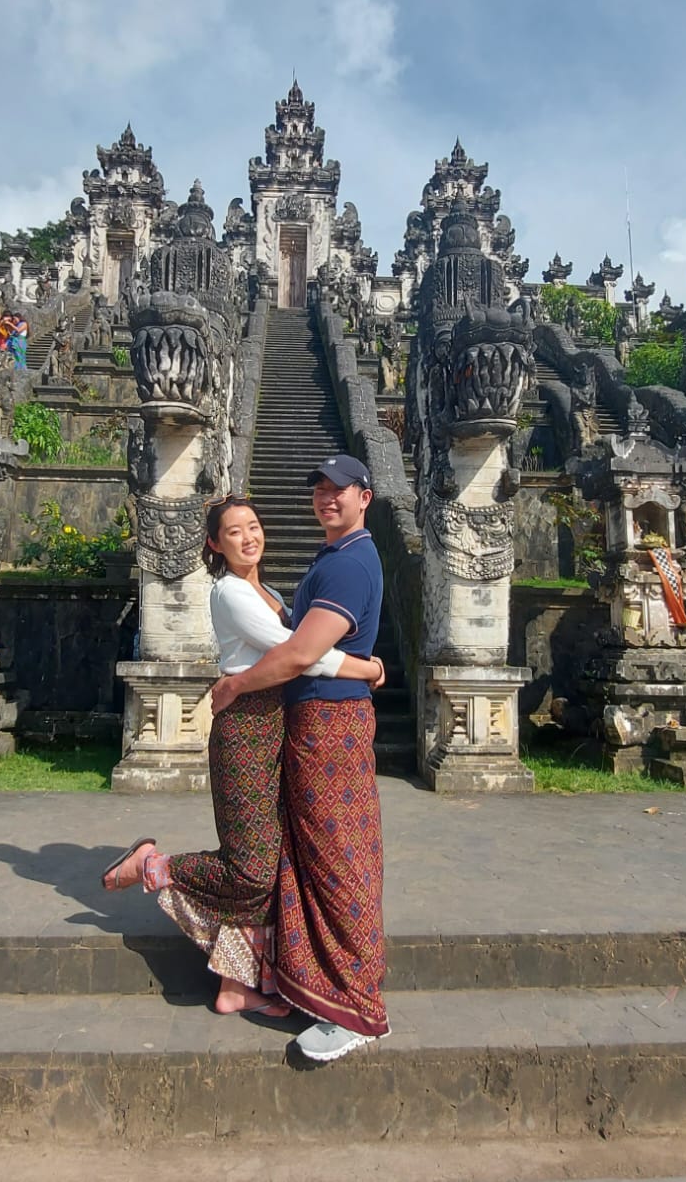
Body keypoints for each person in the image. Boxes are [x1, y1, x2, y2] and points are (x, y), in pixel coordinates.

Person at [101, 494, 382, 1019]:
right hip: (246, 732)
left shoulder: (267, 589)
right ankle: (153, 866)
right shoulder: (230, 592)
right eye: (234, 532)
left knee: (273, 863)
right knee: (250, 870)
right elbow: (292, 651)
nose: (249, 537)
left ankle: (234, 985)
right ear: (215, 543)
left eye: (254, 526)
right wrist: (364, 669)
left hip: (277, 726)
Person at [210, 453, 390, 1063]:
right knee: (311, 857)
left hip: (330, 722)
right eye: (318, 490)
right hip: (313, 719)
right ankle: (314, 980)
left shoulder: (349, 566)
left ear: (365, 496)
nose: (325, 498)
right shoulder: (331, 558)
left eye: (339, 490)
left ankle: (357, 1007)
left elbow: (296, 655)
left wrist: (234, 685)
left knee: (339, 861)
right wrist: (365, 665)